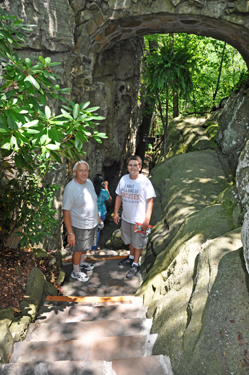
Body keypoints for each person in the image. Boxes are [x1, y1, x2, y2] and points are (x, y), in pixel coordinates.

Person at [113, 155, 156, 279]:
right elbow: (119, 196)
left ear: (140, 167)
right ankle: (131, 258)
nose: (132, 167)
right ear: (127, 167)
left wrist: (147, 219)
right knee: (130, 239)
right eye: (130, 165)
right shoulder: (124, 179)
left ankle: (136, 264)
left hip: (139, 220)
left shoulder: (145, 182)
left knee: (138, 242)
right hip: (126, 217)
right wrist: (116, 213)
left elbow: (150, 201)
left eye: (135, 165)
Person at [63, 161, 104, 282]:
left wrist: (98, 218)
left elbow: (93, 202)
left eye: (86, 170)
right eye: (81, 171)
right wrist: (70, 233)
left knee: (86, 247)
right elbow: (66, 212)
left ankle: (80, 264)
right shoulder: (70, 188)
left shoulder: (89, 182)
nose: (84, 173)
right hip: (79, 225)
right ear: (74, 172)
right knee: (78, 249)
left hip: (92, 223)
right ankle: (75, 272)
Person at [92, 174, 112, 250]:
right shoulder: (104, 192)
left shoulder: (90, 191)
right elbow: (110, 200)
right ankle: (94, 248)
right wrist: (106, 187)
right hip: (102, 214)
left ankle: (87, 248)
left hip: (91, 214)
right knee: (97, 231)